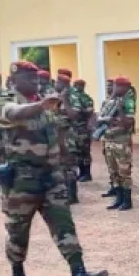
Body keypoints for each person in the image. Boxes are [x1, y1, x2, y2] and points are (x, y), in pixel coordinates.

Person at [0, 60, 108, 276]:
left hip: (51, 176)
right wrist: (41, 106)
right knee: (18, 230)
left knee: (64, 224)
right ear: (14, 80)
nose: (34, 82)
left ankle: (79, 274)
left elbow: (56, 132)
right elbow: (12, 114)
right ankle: (18, 274)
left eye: (35, 78)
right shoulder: (5, 101)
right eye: (28, 78)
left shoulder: (46, 101)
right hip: (22, 179)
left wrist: (66, 163)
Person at [99, 76, 136, 211]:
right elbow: (99, 119)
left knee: (124, 171)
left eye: (117, 86)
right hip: (108, 140)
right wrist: (108, 119)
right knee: (113, 171)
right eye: (114, 85)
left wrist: (120, 110)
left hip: (121, 141)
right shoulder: (109, 101)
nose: (114, 88)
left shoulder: (128, 102)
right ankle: (118, 198)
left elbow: (128, 124)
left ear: (125, 88)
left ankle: (127, 201)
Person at [53, 74, 82, 204]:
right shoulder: (54, 96)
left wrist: (65, 100)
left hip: (69, 136)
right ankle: (63, 192)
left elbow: (74, 116)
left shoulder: (73, 97)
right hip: (56, 135)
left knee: (69, 165)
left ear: (63, 83)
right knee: (59, 166)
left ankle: (72, 195)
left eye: (57, 82)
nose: (55, 84)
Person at [72, 79, 95, 182]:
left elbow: (90, 111)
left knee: (85, 151)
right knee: (76, 152)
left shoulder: (86, 98)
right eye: (76, 85)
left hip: (83, 128)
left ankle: (87, 173)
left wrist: (80, 110)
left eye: (79, 85)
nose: (77, 87)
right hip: (74, 128)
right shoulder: (73, 98)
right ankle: (81, 173)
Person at [98, 79, 117, 198]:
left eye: (111, 86)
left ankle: (119, 187)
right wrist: (104, 120)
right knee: (109, 162)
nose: (108, 88)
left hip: (117, 137)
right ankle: (113, 185)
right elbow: (100, 118)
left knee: (119, 165)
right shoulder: (105, 102)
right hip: (106, 136)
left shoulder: (120, 102)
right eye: (107, 86)